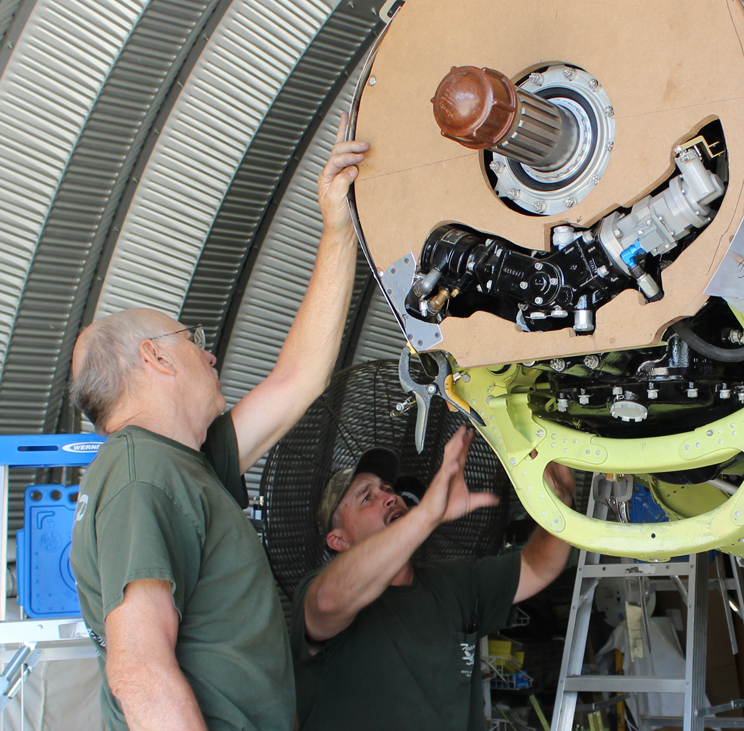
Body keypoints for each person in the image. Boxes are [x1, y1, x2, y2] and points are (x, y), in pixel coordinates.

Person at [68, 112, 369, 731]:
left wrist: (337, 229)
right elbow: (140, 672)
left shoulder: (186, 461)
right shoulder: (140, 476)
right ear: (152, 356)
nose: (209, 352)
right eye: (192, 338)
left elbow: (299, 379)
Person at [291, 425, 574, 731]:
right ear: (338, 541)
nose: (389, 497)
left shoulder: (455, 581)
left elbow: (536, 568)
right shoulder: (319, 591)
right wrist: (427, 514)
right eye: (366, 498)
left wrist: (560, 503)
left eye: (387, 488)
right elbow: (327, 602)